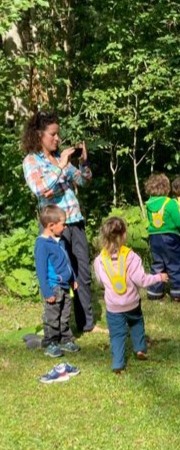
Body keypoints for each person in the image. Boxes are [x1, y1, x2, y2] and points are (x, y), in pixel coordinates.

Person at [22, 110, 97, 333]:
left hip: (75, 221)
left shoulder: (59, 158)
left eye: (58, 134)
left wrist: (83, 163)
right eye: (53, 134)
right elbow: (39, 189)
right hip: (53, 227)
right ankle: (57, 329)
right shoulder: (32, 161)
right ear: (39, 135)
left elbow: (83, 181)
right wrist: (60, 167)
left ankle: (87, 324)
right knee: (58, 277)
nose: (58, 138)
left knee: (83, 274)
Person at [94, 217, 168, 373]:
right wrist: (158, 277)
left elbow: (100, 281)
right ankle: (140, 348)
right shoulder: (131, 256)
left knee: (116, 335)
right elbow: (141, 280)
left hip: (113, 306)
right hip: (132, 303)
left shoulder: (100, 260)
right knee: (136, 324)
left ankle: (117, 363)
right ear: (123, 235)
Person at [34, 204, 80, 359]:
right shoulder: (42, 244)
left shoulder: (60, 241)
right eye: (63, 224)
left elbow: (67, 261)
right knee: (52, 317)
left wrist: (73, 278)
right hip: (54, 288)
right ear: (51, 225)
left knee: (65, 315)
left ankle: (65, 339)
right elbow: (41, 271)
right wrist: (47, 292)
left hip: (65, 286)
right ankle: (50, 343)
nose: (66, 227)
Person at [145, 174, 180, 302]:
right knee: (175, 263)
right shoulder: (170, 203)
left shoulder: (149, 204)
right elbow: (178, 221)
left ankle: (154, 291)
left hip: (154, 237)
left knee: (157, 264)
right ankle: (178, 292)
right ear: (166, 188)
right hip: (170, 237)